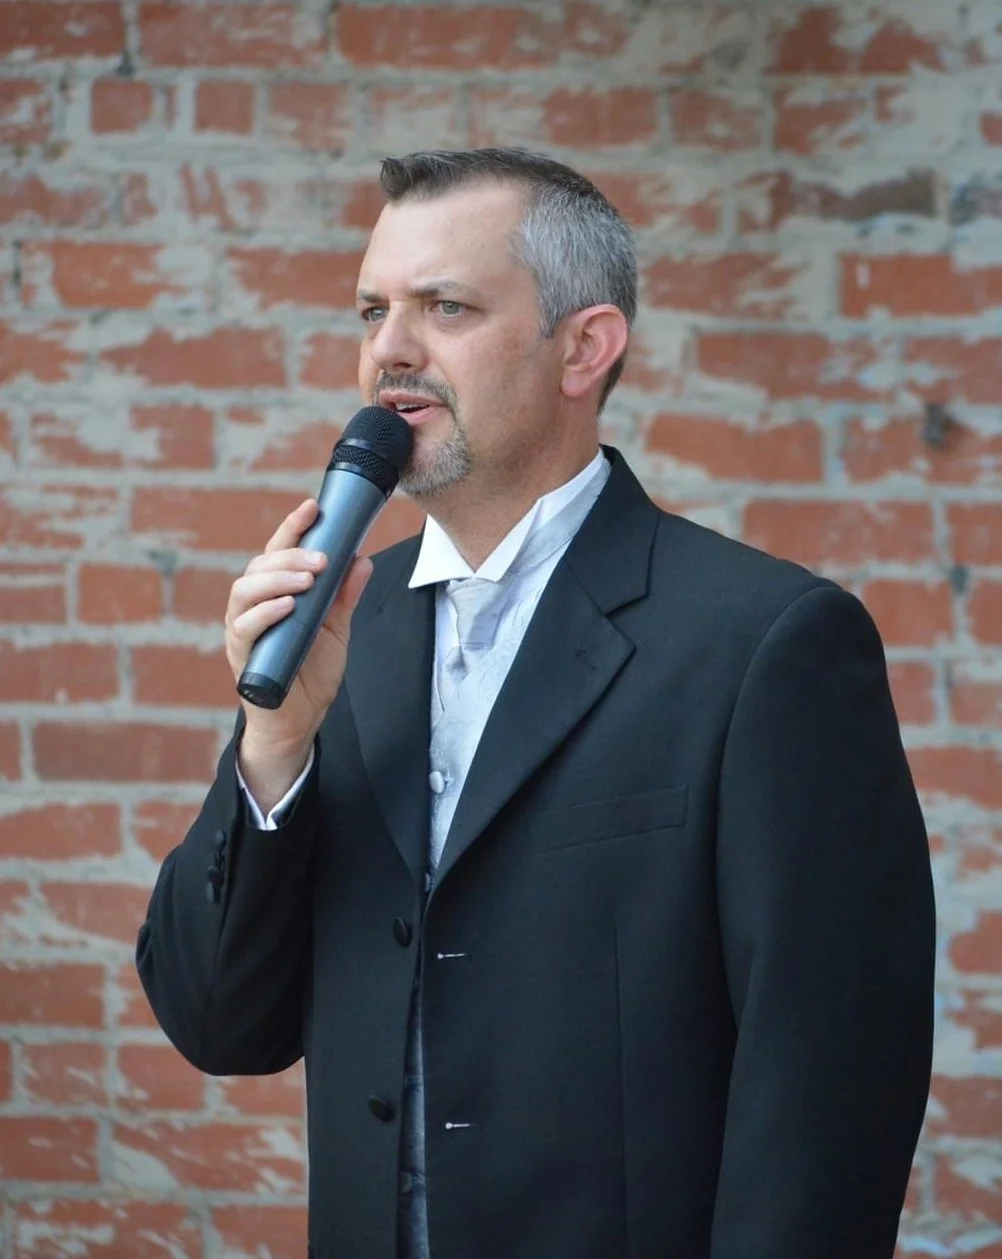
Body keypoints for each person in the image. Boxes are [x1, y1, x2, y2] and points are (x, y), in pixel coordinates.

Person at [137, 148, 936, 1259]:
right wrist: (272, 743)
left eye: (444, 306)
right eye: (374, 309)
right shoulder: (344, 638)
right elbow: (221, 1022)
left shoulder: (765, 642)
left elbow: (829, 1084)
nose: (389, 350)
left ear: (586, 347)